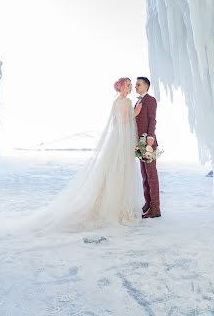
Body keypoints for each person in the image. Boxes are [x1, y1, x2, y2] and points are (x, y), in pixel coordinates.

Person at [28, 78, 143, 232]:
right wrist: (135, 113)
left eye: (131, 85)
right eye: (128, 85)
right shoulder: (127, 102)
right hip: (121, 140)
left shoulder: (116, 102)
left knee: (112, 170)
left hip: (116, 138)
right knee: (120, 169)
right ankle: (117, 207)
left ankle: (108, 203)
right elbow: (122, 121)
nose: (131, 87)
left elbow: (115, 124)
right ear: (122, 87)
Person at [134, 77, 161, 218]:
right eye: (135, 84)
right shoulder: (138, 101)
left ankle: (155, 208)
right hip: (139, 143)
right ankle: (148, 202)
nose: (135, 86)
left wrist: (150, 138)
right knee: (144, 175)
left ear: (146, 86)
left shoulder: (150, 100)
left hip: (148, 143)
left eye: (138, 84)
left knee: (151, 175)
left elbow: (152, 119)